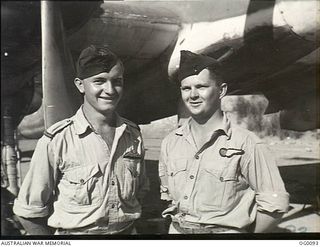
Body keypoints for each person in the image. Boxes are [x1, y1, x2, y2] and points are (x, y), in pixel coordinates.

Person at [13, 45, 149, 235]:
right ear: (79, 85)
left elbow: (139, 193)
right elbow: (28, 212)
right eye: (99, 81)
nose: (109, 90)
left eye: (116, 81)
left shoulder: (133, 135)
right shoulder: (58, 139)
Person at [159, 50, 289, 234]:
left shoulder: (247, 143)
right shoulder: (170, 143)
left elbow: (274, 205)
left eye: (202, 86)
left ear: (221, 90)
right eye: (186, 88)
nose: (193, 95)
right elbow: (168, 196)